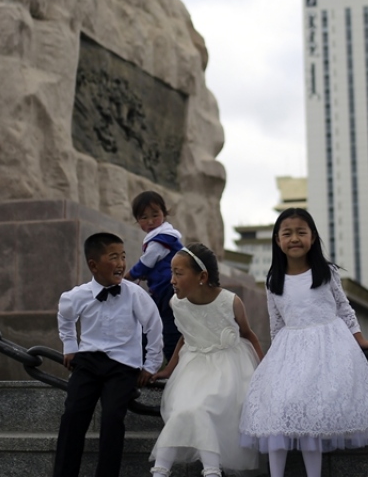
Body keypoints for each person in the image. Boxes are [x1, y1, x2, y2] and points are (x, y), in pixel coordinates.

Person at [239, 208, 368, 477]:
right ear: (277, 240)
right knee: (276, 410)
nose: (294, 238)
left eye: (301, 232)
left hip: (327, 346)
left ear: (313, 237)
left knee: (312, 415)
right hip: (290, 348)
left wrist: (360, 340)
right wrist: (277, 362)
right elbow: (276, 321)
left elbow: (344, 309)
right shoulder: (274, 279)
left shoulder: (326, 272)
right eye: (287, 233)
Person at [54, 232, 164, 477]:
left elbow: (154, 326)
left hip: (123, 367)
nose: (121, 263)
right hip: (88, 363)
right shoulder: (78, 296)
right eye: (113, 257)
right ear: (94, 265)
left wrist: (151, 364)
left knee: (112, 419)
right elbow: (65, 316)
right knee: (72, 416)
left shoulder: (135, 295)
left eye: (123, 257)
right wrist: (70, 346)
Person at [149, 243, 264, 476]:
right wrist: (169, 369)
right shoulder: (176, 303)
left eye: (178, 274)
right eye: (172, 273)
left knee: (204, 407)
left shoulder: (230, 302)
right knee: (182, 409)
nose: (172, 279)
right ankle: (160, 469)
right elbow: (186, 334)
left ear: (202, 276)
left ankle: (212, 470)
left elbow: (248, 334)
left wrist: (264, 371)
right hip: (194, 366)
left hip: (228, 366)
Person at [127, 191, 184, 356]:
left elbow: (148, 260)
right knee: (155, 323)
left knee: (168, 327)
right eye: (144, 217)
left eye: (155, 215)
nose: (150, 221)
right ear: (137, 221)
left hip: (169, 288)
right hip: (162, 289)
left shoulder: (163, 237)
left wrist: (130, 275)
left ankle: (173, 363)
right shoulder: (161, 236)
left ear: (164, 214)